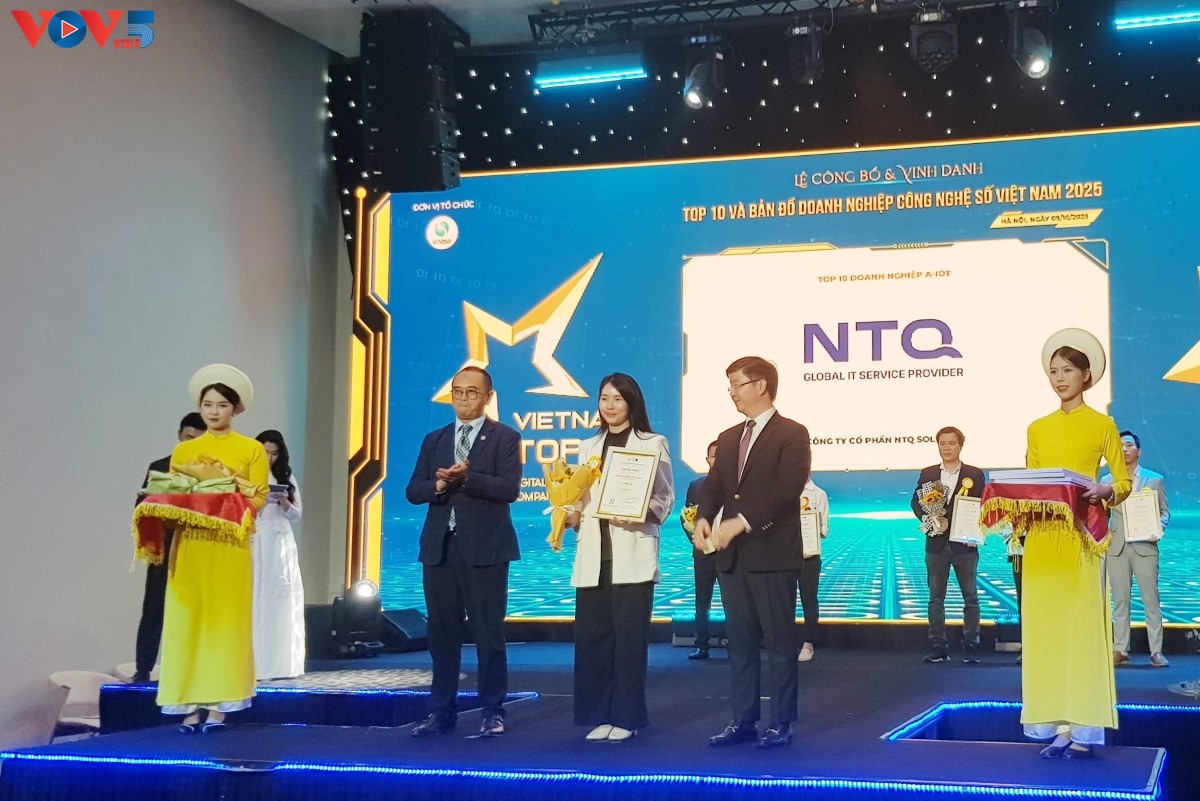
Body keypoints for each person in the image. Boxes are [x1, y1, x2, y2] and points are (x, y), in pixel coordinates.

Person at [693, 356, 811, 749]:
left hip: (772, 554)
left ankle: (781, 722)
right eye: (729, 385)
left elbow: (787, 489)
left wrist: (741, 522)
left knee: (779, 644)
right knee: (740, 645)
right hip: (733, 558)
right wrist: (704, 517)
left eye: (737, 384)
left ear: (761, 386)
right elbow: (714, 486)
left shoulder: (792, 433)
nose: (732, 392)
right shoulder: (728, 438)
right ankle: (742, 720)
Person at [1021, 329, 1129, 758]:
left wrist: (1106, 492)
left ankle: (1083, 727)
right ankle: (1056, 725)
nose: (1059, 378)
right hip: (1043, 541)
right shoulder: (1037, 428)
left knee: (1081, 631)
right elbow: (1032, 481)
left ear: (1086, 376)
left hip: (1083, 539)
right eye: (1054, 371)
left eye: (1067, 371)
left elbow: (1122, 481)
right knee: (1046, 631)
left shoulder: (1102, 425)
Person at [405, 366, 521, 738]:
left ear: (488, 397)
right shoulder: (435, 439)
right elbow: (413, 490)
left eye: (472, 392)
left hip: (486, 549)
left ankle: (492, 710)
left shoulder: (505, 437)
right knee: (442, 636)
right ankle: (441, 711)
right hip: (440, 549)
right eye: (458, 392)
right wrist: (439, 485)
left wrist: (466, 478)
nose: (464, 399)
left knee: (488, 634)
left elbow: (509, 488)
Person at [158, 365, 269, 733]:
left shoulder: (251, 449)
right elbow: (174, 495)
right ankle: (188, 707)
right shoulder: (185, 450)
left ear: (235, 409)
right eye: (207, 405)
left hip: (229, 547)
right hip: (190, 545)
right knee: (187, 622)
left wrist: (223, 489)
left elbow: (258, 499)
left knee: (224, 623)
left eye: (222, 405)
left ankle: (220, 708)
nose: (213, 411)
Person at [566, 373, 674, 742]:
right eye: (604, 398)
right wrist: (571, 516)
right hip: (594, 553)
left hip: (632, 550)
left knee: (629, 641)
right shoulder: (587, 447)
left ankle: (627, 718)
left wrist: (641, 513)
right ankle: (599, 714)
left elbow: (664, 497)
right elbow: (580, 498)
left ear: (632, 403)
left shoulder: (652, 443)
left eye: (617, 399)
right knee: (594, 639)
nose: (610, 406)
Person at [132, 412, 206, 684]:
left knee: (192, 615)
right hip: (164, 549)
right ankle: (143, 670)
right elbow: (140, 508)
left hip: (195, 551)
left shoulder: (210, 474)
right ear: (179, 435)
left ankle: (189, 672)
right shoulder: (159, 467)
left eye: (197, 441)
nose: (190, 444)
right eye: (187, 437)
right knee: (154, 610)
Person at [909, 427, 986, 664]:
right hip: (936, 544)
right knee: (935, 599)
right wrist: (928, 518)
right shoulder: (929, 473)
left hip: (965, 545)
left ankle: (971, 645)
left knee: (971, 598)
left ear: (960, 445)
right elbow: (915, 502)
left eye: (952, 443)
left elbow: (982, 504)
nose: (947, 447)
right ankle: (938, 646)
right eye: (942, 443)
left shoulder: (974, 474)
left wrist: (975, 529)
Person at [1102, 431, 1169, 669]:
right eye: (1120, 445)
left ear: (1138, 451)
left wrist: (1158, 529)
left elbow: (1164, 512)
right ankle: (1120, 649)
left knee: (1151, 600)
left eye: (1129, 445)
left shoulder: (1154, 480)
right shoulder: (1107, 480)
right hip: (1117, 547)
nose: (1124, 449)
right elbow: (1102, 514)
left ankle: (1156, 651)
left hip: (1145, 546)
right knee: (1120, 601)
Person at [252, 430, 306, 680]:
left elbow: (297, 514)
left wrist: (284, 502)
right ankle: (254, 661)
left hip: (279, 542)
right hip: (254, 537)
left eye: (274, 453)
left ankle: (281, 663)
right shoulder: (246, 474)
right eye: (265, 452)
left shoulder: (286, 475)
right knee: (255, 594)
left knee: (280, 597)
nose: (269, 458)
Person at [682, 440, 719, 660]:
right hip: (703, 552)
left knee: (734, 603)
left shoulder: (737, 485)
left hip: (729, 552)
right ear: (707, 459)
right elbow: (687, 516)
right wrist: (696, 539)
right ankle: (702, 645)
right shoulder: (696, 485)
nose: (717, 459)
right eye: (713, 455)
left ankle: (738, 645)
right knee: (702, 601)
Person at [797, 477, 828, 663]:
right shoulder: (783, 491)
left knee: (809, 600)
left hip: (809, 558)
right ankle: (782, 641)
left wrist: (810, 528)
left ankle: (808, 643)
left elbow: (824, 528)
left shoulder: (819, 494)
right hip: (784, 558)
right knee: (782, 601)